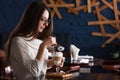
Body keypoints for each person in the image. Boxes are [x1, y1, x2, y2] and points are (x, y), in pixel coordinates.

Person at [4, 1, 64, 80]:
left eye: (47, 20)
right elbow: (34, 72)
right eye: (42, 19)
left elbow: (40, 67)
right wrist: (43, 46)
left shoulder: (38, 41)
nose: (46, 24)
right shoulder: (18, 42)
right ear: (32, 18)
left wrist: (52, 62)